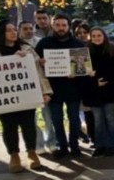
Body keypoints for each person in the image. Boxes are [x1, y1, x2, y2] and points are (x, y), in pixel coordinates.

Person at [0, 20, 52, 172]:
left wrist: (45, 91)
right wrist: (12, 59)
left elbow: (38, 71)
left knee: (29, 124)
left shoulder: (26, 48)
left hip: (27, 93)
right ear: (0, 33)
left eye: (14, 29)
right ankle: (14, 155)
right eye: (9, 30)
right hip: (3, 96)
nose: (13, 32)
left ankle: (32, 153)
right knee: (9, 126)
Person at [35, 15, 86, 158]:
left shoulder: (77, 44)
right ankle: (62, 146)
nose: (61, 28)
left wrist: (76, 73)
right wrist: (40, 62)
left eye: (64, 25)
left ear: (69, 27)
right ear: (52, 26)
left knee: (74, 119)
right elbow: (35, 65)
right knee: (56, 120)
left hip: (73, 89)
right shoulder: (44, 43)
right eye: (57, 25)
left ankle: (74, 145)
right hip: (53, 89)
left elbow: (83, 69)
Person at [84, 27, 114, 157]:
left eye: (99, 35)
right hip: (93, 92)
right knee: (98, 121)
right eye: (93, 36)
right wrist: (95, 82)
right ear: (90, 37)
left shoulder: (112, 50)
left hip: (110, 90)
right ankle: (99, 145)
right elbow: (82, 74)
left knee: (110, 118)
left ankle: (112, 145)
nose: (96, 38)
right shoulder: (85, 52)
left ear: (104, 36)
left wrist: (103, 79)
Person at [21, 19, 57, 153]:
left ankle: (51, 142)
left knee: (48, 116)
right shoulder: (16, 46)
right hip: (26, 87)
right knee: (31, 119)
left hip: (43, 84)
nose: (28, 31)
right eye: (25, 29)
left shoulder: (41, 42)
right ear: (19, 31)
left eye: (30, 28)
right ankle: (38, 144)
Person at [72, 20, 95, 148]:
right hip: (82, 87)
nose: (82, 35)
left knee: (96, 115)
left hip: (96, 86)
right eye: (79, 33)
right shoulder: (75, 49)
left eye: (85, 32)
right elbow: (79, 70)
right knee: (87, 114)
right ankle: (91, 137)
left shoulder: (95, 46)